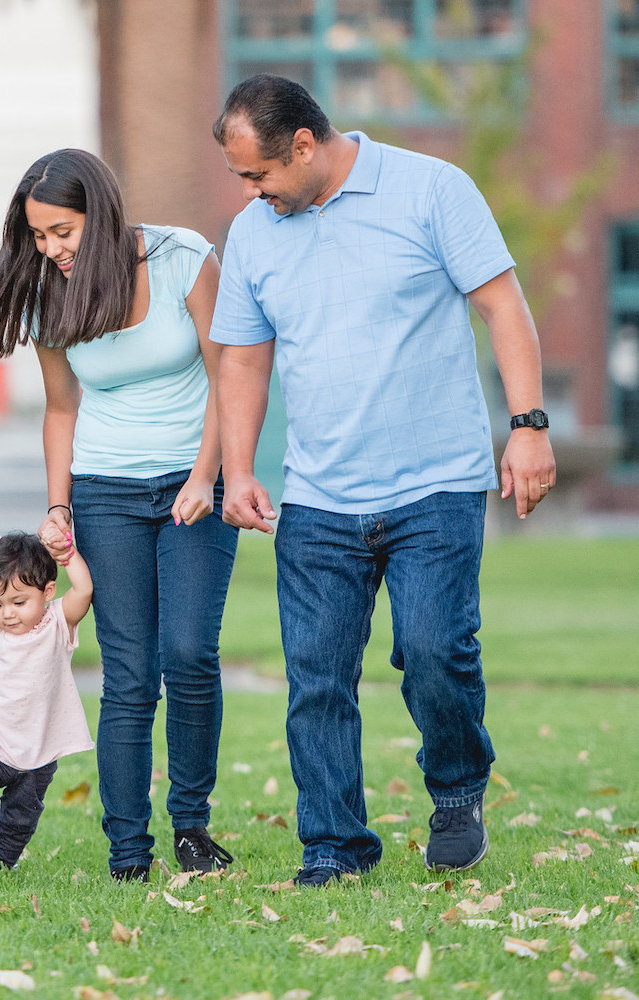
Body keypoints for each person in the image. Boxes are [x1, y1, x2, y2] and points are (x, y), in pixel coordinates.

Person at [209, 75, 556, 887]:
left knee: (436, 651)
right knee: (316, 679)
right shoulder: (255, 233)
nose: (252, 194)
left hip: (435, 481)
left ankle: (458, 788)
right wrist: (237, 468)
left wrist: (529, 427)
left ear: (303, 145)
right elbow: (244, 360)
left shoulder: (431, 188)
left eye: (258, 175)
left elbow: (503, 307)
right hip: (318, 496)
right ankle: (332, 846)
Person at [0, 149, 239, 882]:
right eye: (38, 236)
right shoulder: (50, 294)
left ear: (102, 212)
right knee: (129, 673)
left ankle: (191, 825)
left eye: (62, 231)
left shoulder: (183, 258)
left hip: (191, 482)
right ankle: (127, 851)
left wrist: (207, 474)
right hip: (106, 490)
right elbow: (60, 407)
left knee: (189, 653)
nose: (49, 249)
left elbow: (227, 376)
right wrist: (58, 507)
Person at [0, 530, 94, 875]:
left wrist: (66, 552)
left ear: (47, 591)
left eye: (19, 602)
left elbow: (84, 590)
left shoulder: (58, 622)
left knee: (21, 813)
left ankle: (1, 864)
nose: (7, 614)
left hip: (40, 745)